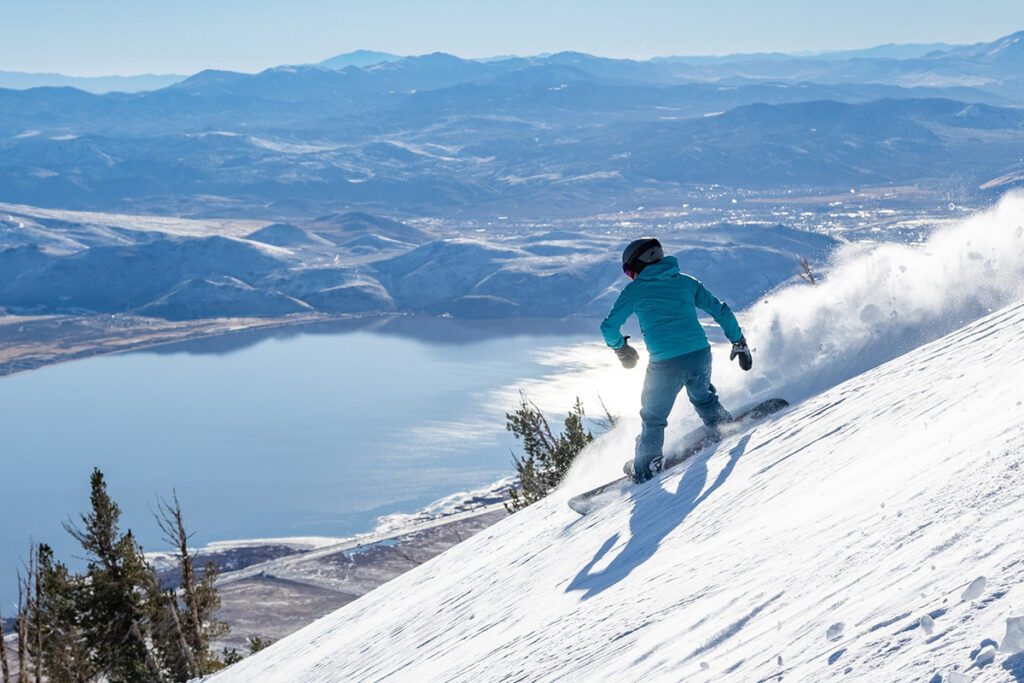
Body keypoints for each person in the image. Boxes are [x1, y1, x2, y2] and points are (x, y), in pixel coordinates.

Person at [601, 237, 753, 483]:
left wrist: (622, 349)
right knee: (703, 398)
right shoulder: (686, 282)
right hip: (699, 355)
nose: (630, 277)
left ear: (637, 266)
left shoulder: (635, 290)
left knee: (653, 417)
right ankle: (723, 427)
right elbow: (720, 310)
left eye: (629, 271)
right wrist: (739, 342)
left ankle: (645, 468)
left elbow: (608, 328)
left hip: (665, 364)